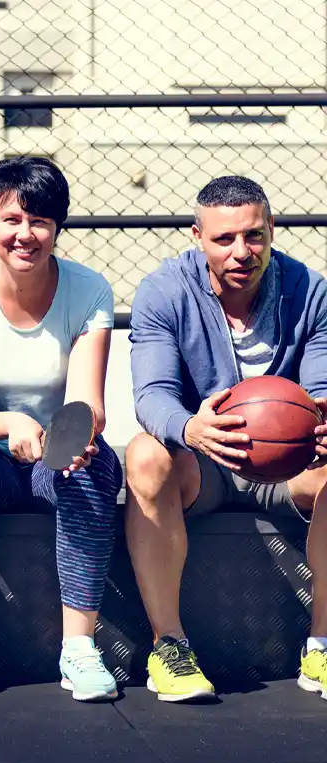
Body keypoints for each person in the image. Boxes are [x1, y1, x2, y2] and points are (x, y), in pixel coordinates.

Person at [0, 156, 122, 703]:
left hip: (53, 459)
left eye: (39, 221)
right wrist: (12, 422)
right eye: (11, 220)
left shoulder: (89, 289)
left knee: (97, 465)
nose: (25, 234)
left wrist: (74, 439)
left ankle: (79, 648)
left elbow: (88, 403)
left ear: (57, 227)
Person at [126, 175, 327, 703]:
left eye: (254, 235)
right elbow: (152, 395)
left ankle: (322, 646)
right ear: (198, 237)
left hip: (288, 464)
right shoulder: (165, 290)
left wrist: (324, 423)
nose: (242, 251)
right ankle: (169, 646)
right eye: (224, 239)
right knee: (144, 455)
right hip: (204, 462)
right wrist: (190, 428)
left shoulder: (310, 291)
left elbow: (321, 390)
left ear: (271, 229)